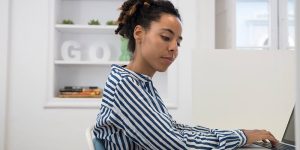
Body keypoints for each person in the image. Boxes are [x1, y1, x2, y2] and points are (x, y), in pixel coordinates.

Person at [93, 0, 279, 149]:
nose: (174, 48)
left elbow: (173, 130)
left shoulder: (139, 83)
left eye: (178, 42)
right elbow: (175, 144)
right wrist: (240, 136)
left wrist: (238, 134)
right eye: (166, 37)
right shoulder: (126, 85)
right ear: (139, 33)